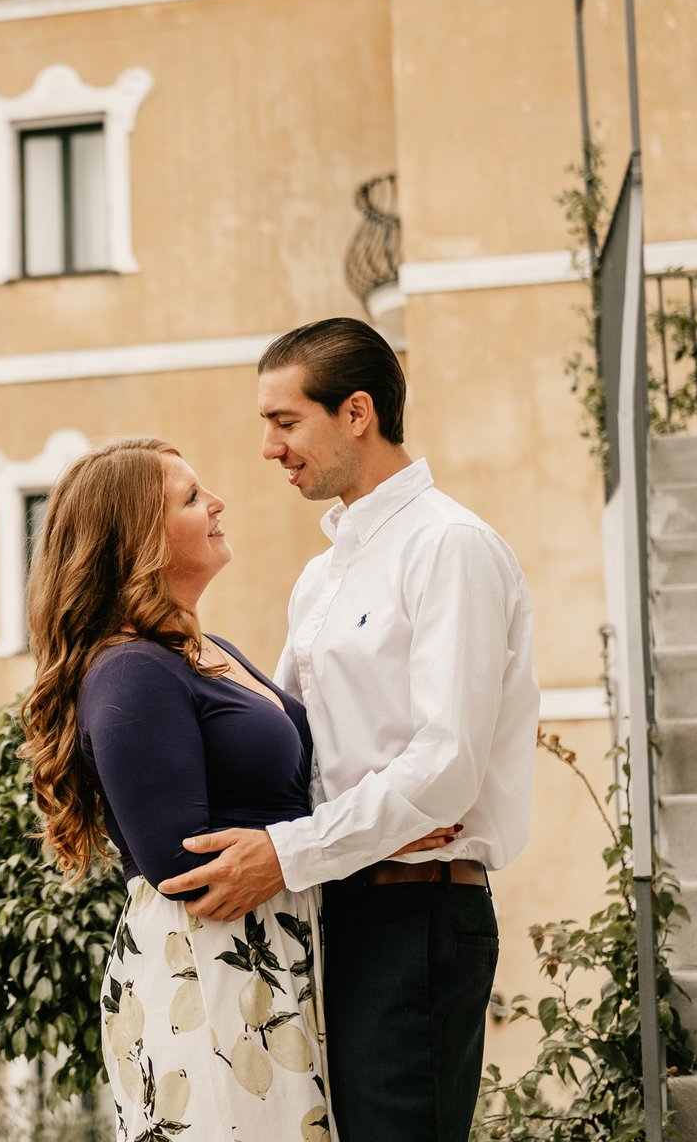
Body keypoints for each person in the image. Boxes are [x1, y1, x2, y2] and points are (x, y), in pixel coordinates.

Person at [156, 319, 539, 1142]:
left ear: (356, 412)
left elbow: (444, 768)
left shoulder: (452, 548)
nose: (266, 447)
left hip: (416, 920)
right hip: (325, 916)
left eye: (285, 421)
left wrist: (291, 851)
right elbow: (295, 745)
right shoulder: (320, 578)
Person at [21, 435, 454, 1141]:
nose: (218, 501)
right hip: (213, 967)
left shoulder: (208, 650)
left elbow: (300, 791)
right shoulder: (131, 672)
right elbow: (185, 864)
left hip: (276, 945)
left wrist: (381, 819)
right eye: (191, 497)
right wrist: (366, 835)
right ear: (140, 540)